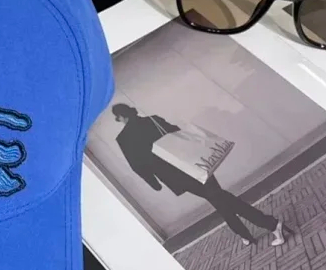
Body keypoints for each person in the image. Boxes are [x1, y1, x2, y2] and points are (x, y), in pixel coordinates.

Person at [111, 103, 285, 246]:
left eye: (117, 118)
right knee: (218, 198)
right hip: (194, 165)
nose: (118, 120)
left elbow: (137, 165)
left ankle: (270, 224)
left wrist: (154, 184)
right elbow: (179, 134)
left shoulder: (124, 139)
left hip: (176, 176)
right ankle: (247, 232)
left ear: (120, 117)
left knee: (219, 198)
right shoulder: (153, 120)